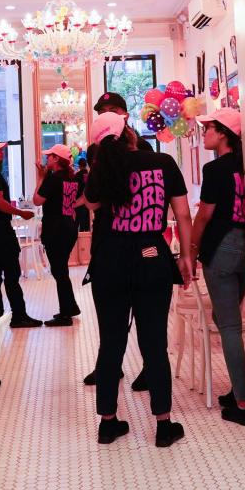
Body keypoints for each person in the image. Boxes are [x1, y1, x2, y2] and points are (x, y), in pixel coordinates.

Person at [84, 111, 194, 448]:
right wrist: (187, 256)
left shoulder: (102, 170)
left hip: (110, 262)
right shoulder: (162, 163)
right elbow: (183, 214)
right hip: (152, 258)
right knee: (154, 343)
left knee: (111, 342)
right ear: (129, 133)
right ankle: (163, 425)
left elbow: (90, 204)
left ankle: (107, 423)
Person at [82, 92, 152, 391]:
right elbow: (92, 197)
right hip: (106, 233)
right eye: (101, 112)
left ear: (124, 114)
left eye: (111, 110)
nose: (106, 116)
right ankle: (109, 365)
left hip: (138, 233)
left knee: (145, 309)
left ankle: (151, 365)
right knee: (110, 310)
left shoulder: (145, 148)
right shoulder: (94, 149)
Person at [191, 108, 245, 426]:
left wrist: (190, 250)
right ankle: (241, 388)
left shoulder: (215, 169)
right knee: (227, 317)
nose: (204, 134)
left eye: (208, 129)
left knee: (228, 325)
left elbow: (204, 216)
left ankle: (242, 403)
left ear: (224, 133)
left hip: (223, 247)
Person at [0, 138, 42, 328]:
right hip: (0, 230)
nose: (1, 152)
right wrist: (21, 212)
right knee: (12, 272)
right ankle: (18, 315)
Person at [33, 143, 82, 327]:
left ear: (57, 159)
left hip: (56, 229)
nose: (47, 158)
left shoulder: (53, 179)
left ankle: (65, 314)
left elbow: (37, 200)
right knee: (62, 270)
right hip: (69, 226)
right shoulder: (72, 179)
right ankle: (71, 307)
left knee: (59, 271)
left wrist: (41, 178)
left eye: (50, 156)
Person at [74, 157, 91, 232]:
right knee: (85, 225)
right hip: (87, 203)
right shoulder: (89, 175)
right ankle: (86, 243)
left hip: (78, 202)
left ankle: (78, 242)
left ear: (79, 165)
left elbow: (75, 189)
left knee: (77, 224)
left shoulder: (77, 175)